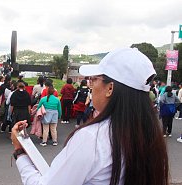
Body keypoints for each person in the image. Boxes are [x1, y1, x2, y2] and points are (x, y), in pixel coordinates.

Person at [11, 48, 168, 185]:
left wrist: (20, 152)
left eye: (94, 79)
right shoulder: (149, 134)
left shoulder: (92, 137)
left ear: (110, 88)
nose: (91, 86)